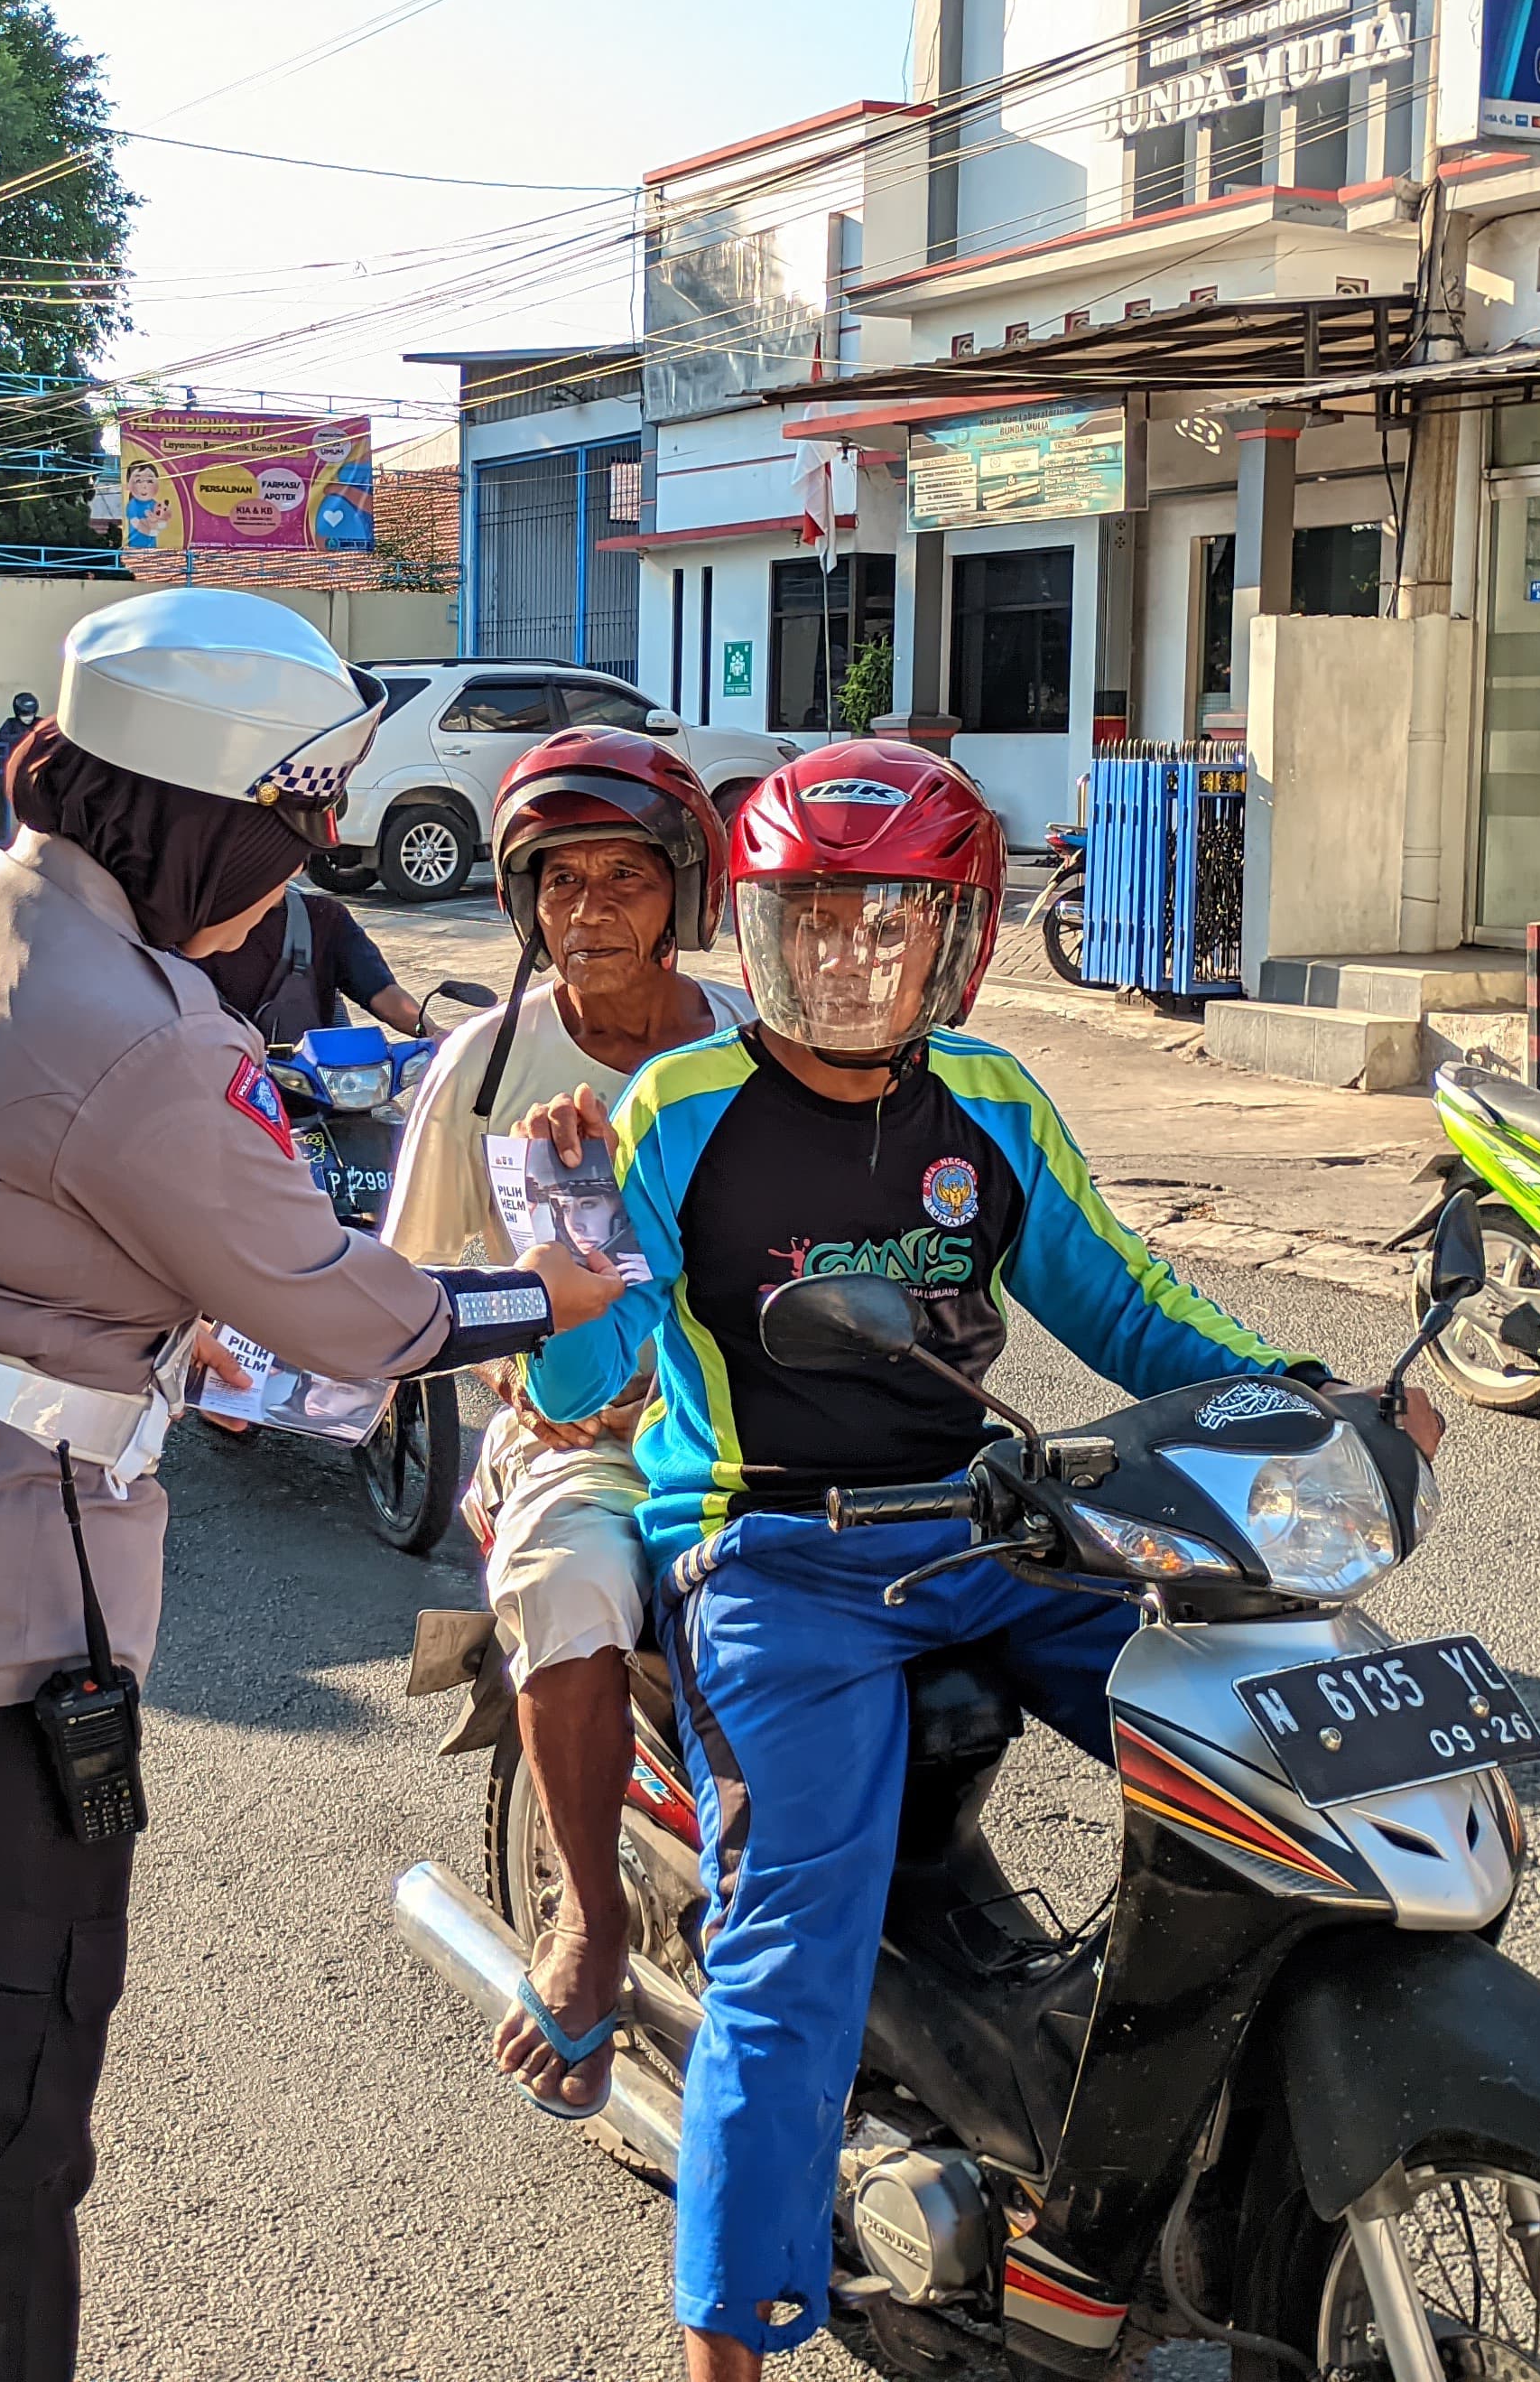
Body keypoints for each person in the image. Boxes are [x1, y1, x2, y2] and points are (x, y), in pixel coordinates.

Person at [0, 587, 626, 2382]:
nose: (293, 884)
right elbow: (350, 1309)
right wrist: (546, 1294)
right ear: (211, 822)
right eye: (288, 840)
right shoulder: (136, 1029)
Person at [516, 741, 1433, 2380]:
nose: (849, 963)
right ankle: (727, 2343)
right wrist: (575, 1264)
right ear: (756, 932)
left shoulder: (995, 1102)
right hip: (773, 1550)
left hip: (993, 1524)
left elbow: (1126, 1301)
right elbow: (580, 1384)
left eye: (889, 929)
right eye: (813, 926)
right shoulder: (681, 1110)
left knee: (1274, 1740)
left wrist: (1304, 1399)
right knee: (788, 1949)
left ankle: (1152, 2141)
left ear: (963, 940)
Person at [377, 726, 744, 2121]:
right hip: (569, 1436)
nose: (588, 911)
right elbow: (406, 1292)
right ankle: (588, 1924)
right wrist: (521, 1378)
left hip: (756, 1423)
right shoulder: (484, 1068)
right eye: (559, 882)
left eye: (623, 879)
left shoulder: (751, 1058)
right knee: (573, 1574)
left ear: (687, 897)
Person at [198, 875, 425, 1041]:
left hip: (318, 1085)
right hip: (222, 1083)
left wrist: (431, 1032)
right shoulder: (184, 933)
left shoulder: (325, 917)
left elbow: (381, 992)